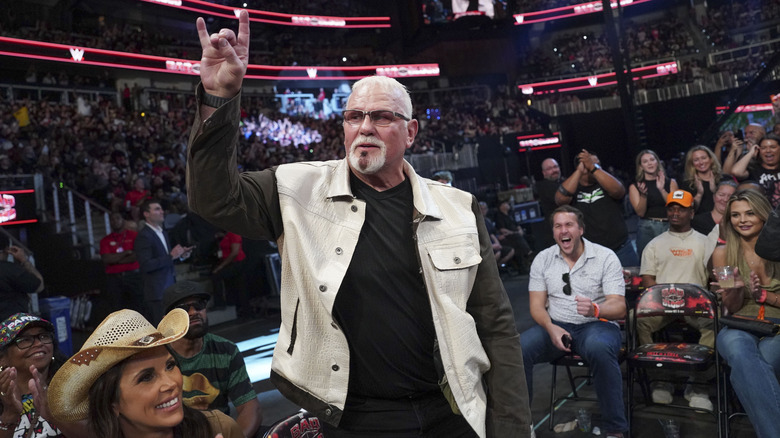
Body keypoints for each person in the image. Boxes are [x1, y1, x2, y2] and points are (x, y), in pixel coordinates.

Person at [186, 10, 531, 437]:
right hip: (357, 420)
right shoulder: (296, 187)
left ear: (411, 133)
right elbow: (211, 198)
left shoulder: (459, 206)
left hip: (454, 411)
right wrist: (220, 99)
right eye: (354, 117)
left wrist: (513, 427)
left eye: (382, 117)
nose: (365, 127)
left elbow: (495, 323)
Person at [47, 308, 243, 438]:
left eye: (170, 366)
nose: (171, 383)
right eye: (146, 377)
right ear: (112, 402)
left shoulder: (219, 428)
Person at [520, 205, 627, 438]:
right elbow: (536, 306)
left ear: (581, 230)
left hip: (597, 326)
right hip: (557, 326)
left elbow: (619, 307)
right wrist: (550, 327)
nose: (563, 230)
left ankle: (615, 429)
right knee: (518, 350)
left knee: (599, 348)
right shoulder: (543, 259)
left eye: (568, 225)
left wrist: (596, 309)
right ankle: (522, 426)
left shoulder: (605, 256)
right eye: (557, 226)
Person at [637, 190, 715, 410]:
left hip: (696, 307)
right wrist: (663, 302)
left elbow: (712, 279)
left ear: (691, 212)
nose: (675, 212)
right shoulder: (654, 244)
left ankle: (698, 384)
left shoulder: (705, 242)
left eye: (681, 208)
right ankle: (661, 379)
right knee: (637, 319)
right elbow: (647, 281)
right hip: (662, 305)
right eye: (671, 208)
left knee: (716, 323)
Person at [711, 189, 780, 438]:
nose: (743, 220)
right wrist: (736, 290)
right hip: (740, 323)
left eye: (750, 213)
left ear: (764, 215)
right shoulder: (723, 254)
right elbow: (733, 306)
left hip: (777, 324)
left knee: (754, 366)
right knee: (740, 352)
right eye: (736, 215)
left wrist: (767, 297)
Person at [163, 281, 262, 437]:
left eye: (199, 304)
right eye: (183, 309)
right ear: (168, 318)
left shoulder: (226, 351)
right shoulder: (160, 357)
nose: (193, 312)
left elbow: (250, 408)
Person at [0, 314, 87, 438]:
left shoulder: (77, 389)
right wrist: (9, 414)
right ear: (2, 358)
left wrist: (52, 414)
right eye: (25, 339)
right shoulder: (5, 403)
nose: (39, 343)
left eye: (44, 336)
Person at [555, 149, 639, 267]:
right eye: (589, 163)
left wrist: (594, 168)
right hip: (591, 254)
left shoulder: (607, 182)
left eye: (597, 163)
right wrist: (579, 171)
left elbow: (619, 191)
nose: (594, 166)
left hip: (621, 248)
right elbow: (560, 199)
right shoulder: (574, 188)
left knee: (633, 284)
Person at [135, 198, 193, 325]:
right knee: (163, 330)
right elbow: (146, 265)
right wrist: (171, 256)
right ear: (146, 214)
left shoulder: (163, 233)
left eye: (161, 209)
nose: (162, 212)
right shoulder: (144, 236)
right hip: (157, 292)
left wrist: (181, 256)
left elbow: (167, 260)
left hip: (169, 289)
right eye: (157, 209)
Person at [627, 149, 678, 257]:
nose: (649, 163)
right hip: (647, 228)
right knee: (648, 265)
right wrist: (643, 195)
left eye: (652, 159)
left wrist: (662, 189)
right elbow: (640, 213)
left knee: (673, 261)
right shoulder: (635, 186)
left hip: (670, 225)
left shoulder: (670, 182)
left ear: (657, 162)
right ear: (641, 166)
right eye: (645, 161)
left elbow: (676, 207)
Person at [99, 212, 143, 314]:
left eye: (117, 218)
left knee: (138, 306)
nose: (115, 221)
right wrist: (126, 253)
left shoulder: (134, 235)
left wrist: (115, 260)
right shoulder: (105, 240)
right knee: (116, 308)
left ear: (123, 220)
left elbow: (135, 256)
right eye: (112, 219)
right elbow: (106, 259)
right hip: (114, 279)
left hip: (133, 276)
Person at [0, 236, 44, 321]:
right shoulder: (10, 270)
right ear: (6, 249)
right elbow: (39, 285)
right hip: (11, 325)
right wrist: (24, 260)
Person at [730, 134, 780, 209]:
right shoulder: (754, 169)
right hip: (765, 215)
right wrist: (751, 153)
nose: (768, 150)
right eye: (763, 148)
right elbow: (736, 171)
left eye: (773, 147)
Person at [682, 145, 726, 214]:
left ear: (711, 159)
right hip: (698, 221)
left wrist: (715, 191)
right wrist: (699, 194)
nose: (701, 162)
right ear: (692, 164)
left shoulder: (724, 180)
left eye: (704, 158)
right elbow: (687, 212)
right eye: (696, 160)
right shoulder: (687, 184)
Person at [211, 230, 248, 311]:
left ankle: (220, 303)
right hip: (229, 262)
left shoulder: (234, 234)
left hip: (237, 263)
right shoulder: (226, 234)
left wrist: (220, 267)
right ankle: (230, 303)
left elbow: (234, 253)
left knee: (216, 276)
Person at [494, 199, 534, 271]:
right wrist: (513, 232)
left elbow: (517, 225)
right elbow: (502, 229)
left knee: (529, 237)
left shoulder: (510, 215)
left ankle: (528, 258)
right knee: (517, 240)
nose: (508, 205)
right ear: (501, 206)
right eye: (505, 203)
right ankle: (528, 253)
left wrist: (520, 230)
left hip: (516, 234)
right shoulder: (499, 217)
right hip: (509, 236)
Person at [478, 202, 515, 271]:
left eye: (485, 209)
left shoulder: (487, 220)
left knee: (511, 250)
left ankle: (498, 267)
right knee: (497, 253)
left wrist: (497, 243)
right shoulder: (476, 222)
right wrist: (491, 246)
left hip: (493, 244)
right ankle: (488, 271)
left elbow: (492, 234)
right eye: (481, 209)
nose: (483, 211)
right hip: (484, 247)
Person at [536, 158, 562, 248]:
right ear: (544, 173)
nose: (554, 170)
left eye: (555, 167)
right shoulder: (543, 186)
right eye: (549, 169)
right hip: (554, 231)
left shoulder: (564, 181)